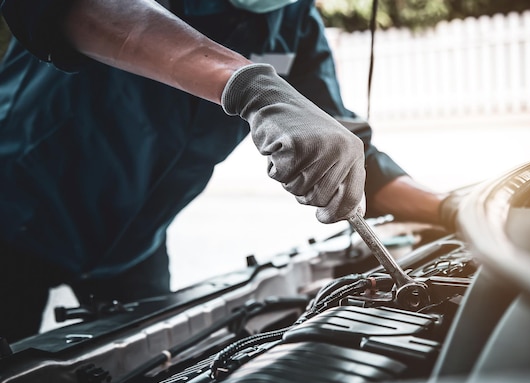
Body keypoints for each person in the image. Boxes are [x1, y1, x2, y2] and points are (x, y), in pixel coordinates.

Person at [0, 0, 448, 343]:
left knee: (151, 372)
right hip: (16, 214)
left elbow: (345, 150)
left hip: (134, 246)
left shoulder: (294, 21)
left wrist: (451, 208)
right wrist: (247, 84)